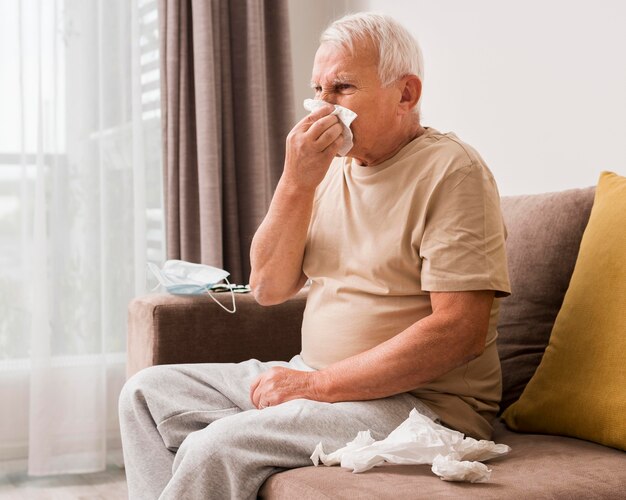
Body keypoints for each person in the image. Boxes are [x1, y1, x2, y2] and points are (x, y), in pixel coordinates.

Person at [119, 12, 510, 500]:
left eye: (341, 88)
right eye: (317, 89)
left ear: (406, 94)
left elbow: (459, 331)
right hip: (316, 376)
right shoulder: (328, 171)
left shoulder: (453, 172)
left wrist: (315, 387)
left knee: (214, 446)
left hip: (417, 402)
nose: (321, 106)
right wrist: (296, 180)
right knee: (146, 393)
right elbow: (268, 288)